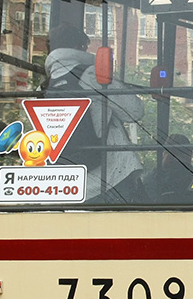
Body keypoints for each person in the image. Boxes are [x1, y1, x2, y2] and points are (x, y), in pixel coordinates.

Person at [44, 22, 145, 193]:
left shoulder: (45, 87)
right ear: (79, 46)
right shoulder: (92, 74)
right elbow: (135, 111)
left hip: (67, 183)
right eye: (85, 46)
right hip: (110, 176)